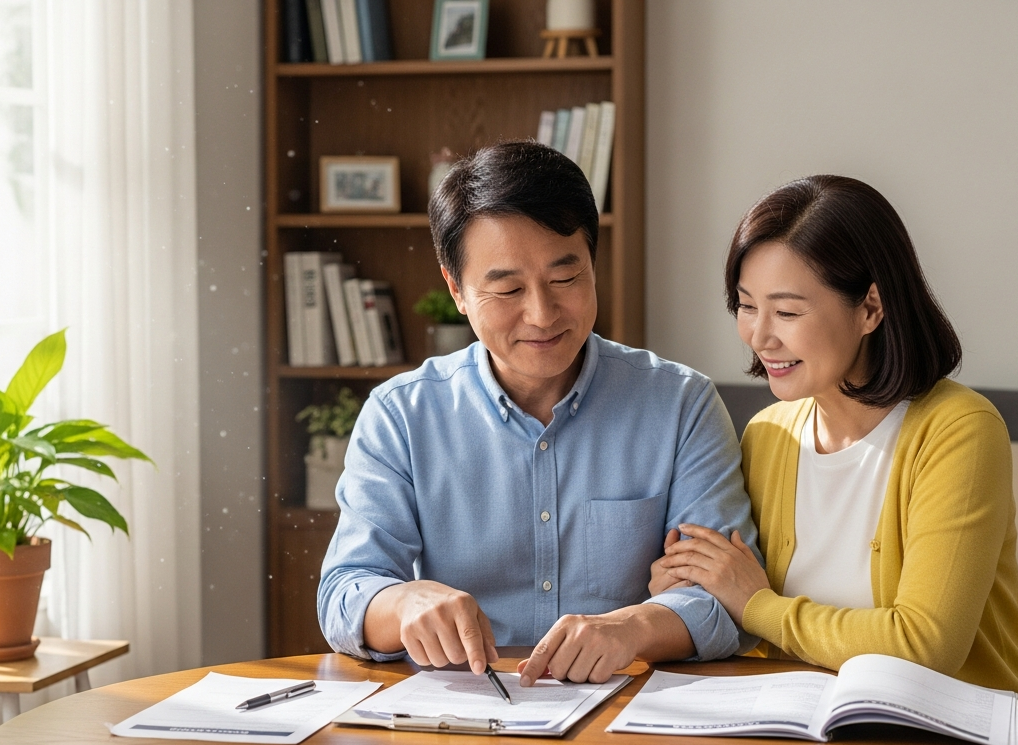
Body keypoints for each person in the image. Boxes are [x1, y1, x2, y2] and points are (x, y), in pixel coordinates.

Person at [318, 141, 760, 687]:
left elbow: (730, 602)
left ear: (593, 265)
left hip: (627, 714)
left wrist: (630, 628)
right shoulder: (402, 415)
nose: (542, 313)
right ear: (456, 289)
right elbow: (344, 592)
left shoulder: (679, 405)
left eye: (565, 279)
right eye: (506, 288)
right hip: (465, 719)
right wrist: (403, 603)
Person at [650, 175, 1018, 711]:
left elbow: (924, 645)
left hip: (961, 738)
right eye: (747, 306)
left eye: (788, 312)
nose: (760, 335)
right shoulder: (767, 435)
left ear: (870, 308)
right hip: (815, 736)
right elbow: (728, 601)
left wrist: (757, 606)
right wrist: (682, 589)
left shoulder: (959, 430)